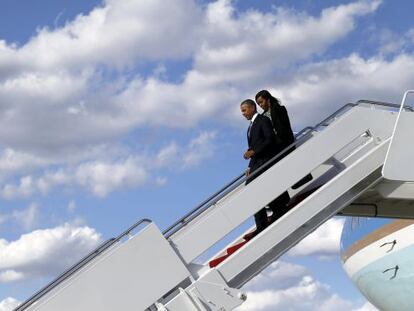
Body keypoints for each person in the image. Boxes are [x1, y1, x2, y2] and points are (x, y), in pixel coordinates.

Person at [240, 99, 280, 238]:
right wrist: (250, 166)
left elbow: (270, 139)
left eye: (244, 110)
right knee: (253, 191)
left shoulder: (263, 120)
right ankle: (272, 213)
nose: (243, 114)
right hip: (257, 163)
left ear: (252, 108)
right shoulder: (250, 126)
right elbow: (253, 147)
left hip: (266, 160)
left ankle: (263, 224)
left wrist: (254, 152)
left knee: (253, 190)